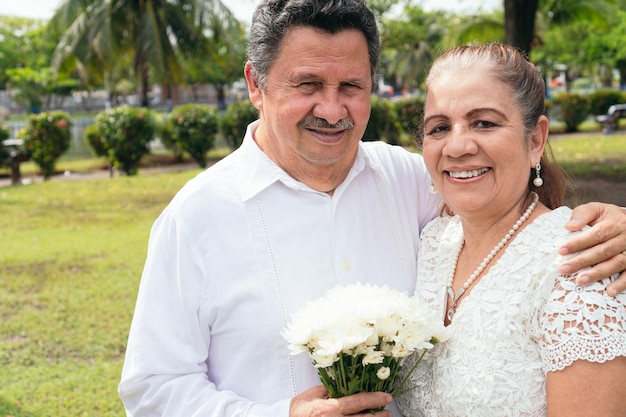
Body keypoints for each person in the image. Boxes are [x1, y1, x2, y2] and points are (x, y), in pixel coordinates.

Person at [118, 1, 626, 416]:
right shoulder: (197, 216)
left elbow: (506, 206)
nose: (333, 109)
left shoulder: (410, 181)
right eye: (308, 84)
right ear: (256, 84)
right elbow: (153, 389)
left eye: (351, 87)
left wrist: (612, 223)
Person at [395, 43, 626, 417]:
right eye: (439, 128)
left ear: (535, 139)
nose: (456, 146)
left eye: (483, 123)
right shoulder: (433, 243)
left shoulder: (580, 268)